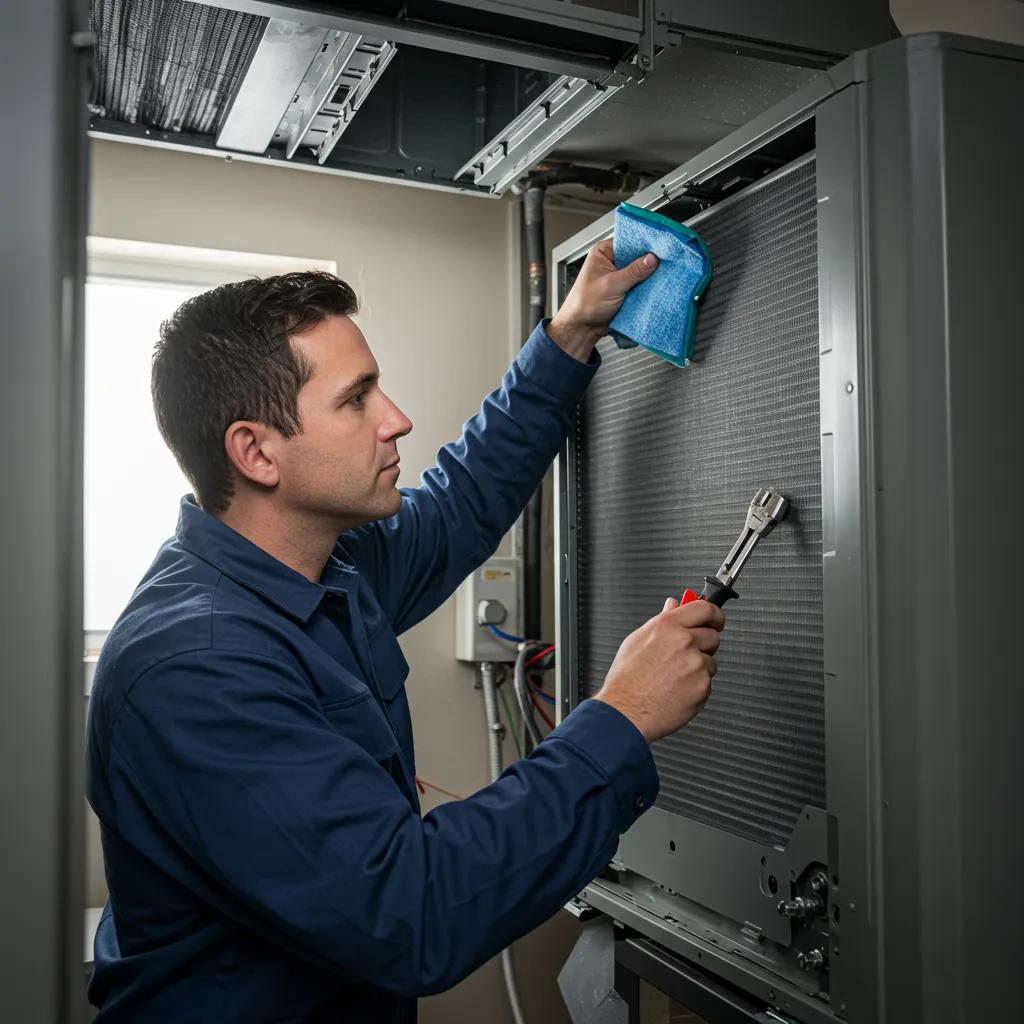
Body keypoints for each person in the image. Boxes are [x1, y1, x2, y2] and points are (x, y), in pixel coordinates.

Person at [85, 240, 725, 1022]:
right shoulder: (195, 669)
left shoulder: (325, 564)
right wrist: (622, 716)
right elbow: (411, 913)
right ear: (255, 451)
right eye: (357, 400)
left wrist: (568, 337)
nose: (397, 419)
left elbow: (460, 502)